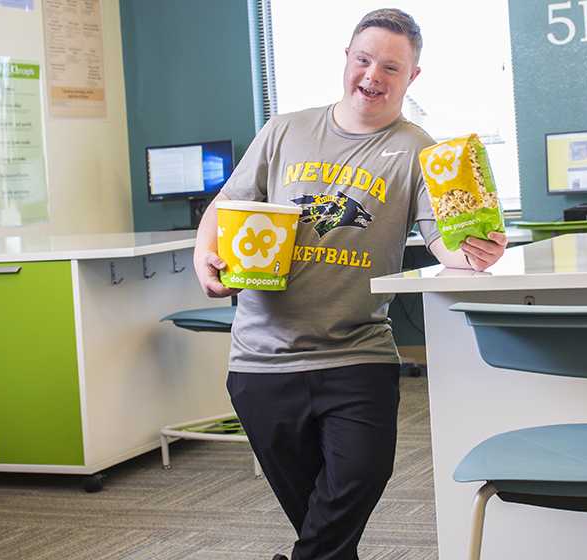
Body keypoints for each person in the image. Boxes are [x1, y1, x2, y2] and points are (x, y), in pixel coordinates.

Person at [192, 8, 507, 560]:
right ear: (347, 59)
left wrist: (474, 249)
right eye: (364, 59)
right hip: (263, 359)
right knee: (324, 525)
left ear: (412, 77)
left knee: (359, 480)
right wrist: (205, 258)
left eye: (391, 66)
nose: (373, 75)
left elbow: (440, 238)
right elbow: (226, 205)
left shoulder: (418, 148)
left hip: (357, 353)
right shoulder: (285, 129)